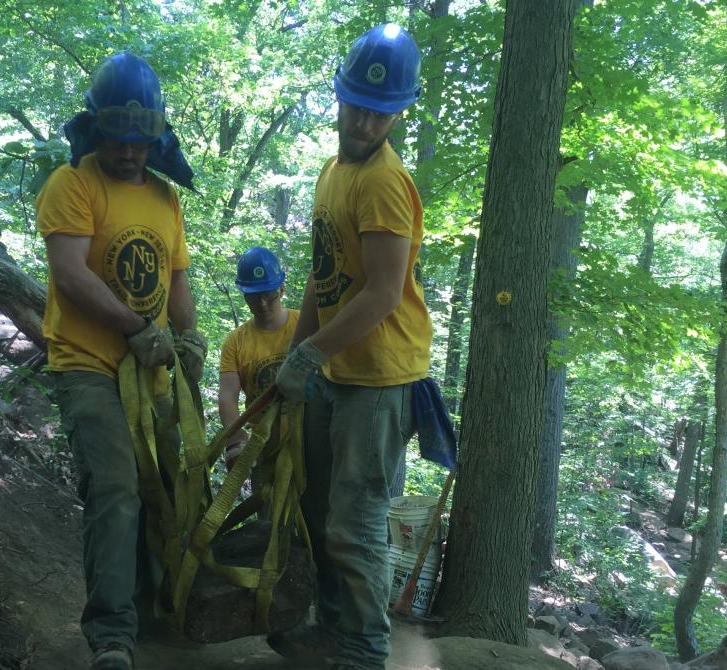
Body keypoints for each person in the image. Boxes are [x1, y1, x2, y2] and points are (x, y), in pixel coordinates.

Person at [270, 23, 454, 670]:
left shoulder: (382, 182)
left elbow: (379, 296)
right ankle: (330, 626)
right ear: (340, 97)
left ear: (396, 114)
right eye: (356, 106)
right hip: (335, 368)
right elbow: (326, 279)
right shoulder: (332, 174)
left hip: (379, 377)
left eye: (380, 114)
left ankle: (365, 650)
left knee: (356, 521)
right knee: (319, 510)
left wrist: (309, 356)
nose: (364, 122)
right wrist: (292, 358)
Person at [37, 52, 207, 670]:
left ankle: (156, 610)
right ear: (97, 128)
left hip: (152, 366)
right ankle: (111, 636)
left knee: (164, 486)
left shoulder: (165, 197)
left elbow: (177, 280)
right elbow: (70, 275)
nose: (129, 151)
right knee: (114, 487)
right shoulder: (73, 183)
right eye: (118, 139)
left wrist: (189, 341)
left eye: (141, 141)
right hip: (86, 361)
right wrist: (135, 327)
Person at [217, 247, 298, 471]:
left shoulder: (302, 325)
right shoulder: (235, 341)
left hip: (308, 438)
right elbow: (227, 397)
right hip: (263, 446)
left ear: (281, 290)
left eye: (268, 296)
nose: (262, 304)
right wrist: (235, 438)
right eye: (253, 297)